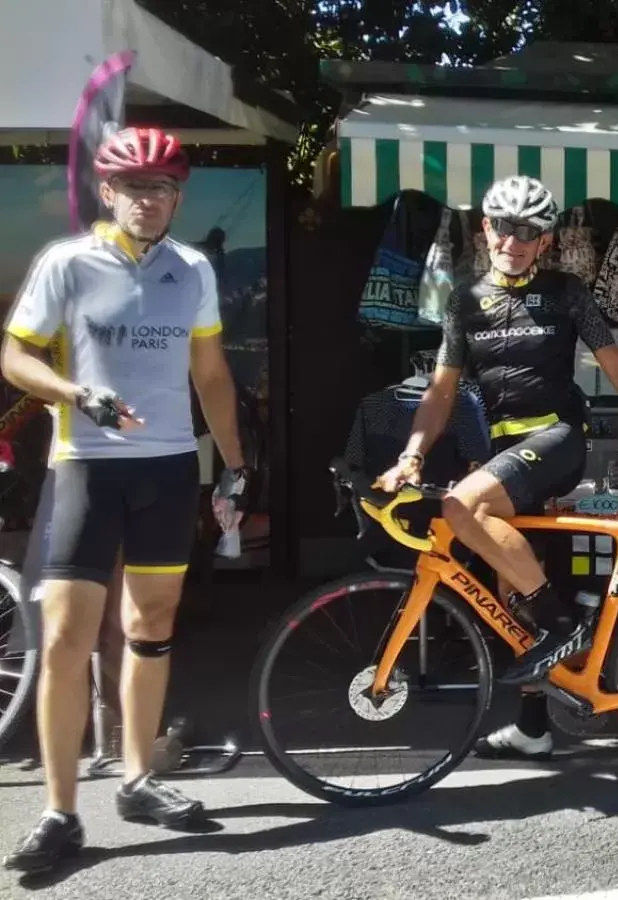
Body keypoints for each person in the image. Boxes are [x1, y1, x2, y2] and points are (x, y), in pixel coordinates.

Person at [374, 175, 618, 760]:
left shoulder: (567, 292)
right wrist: (411, 455)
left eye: (529, 231)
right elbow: (441, 392)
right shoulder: (465, 301)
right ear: (486, 229)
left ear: (547, 239)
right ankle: (534, 725)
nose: (515, 240)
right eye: (504, 227)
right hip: (503, 456)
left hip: (556, 441)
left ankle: (561, 621)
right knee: (509, 600)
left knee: (461, 506)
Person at [1, 126, 249, 873]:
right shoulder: (67, 263)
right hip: (86, 466)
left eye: (163, 188)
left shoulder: (192, 268)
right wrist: (76, 392)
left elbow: (210, 374)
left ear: (178, 196)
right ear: (108, 192)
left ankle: (140, 780)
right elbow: (15, 355)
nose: (150, 200)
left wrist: (236, 467)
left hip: (169, 468)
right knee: (67, 639)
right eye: (136, 187)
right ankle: (59, 811)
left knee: (152, 626)